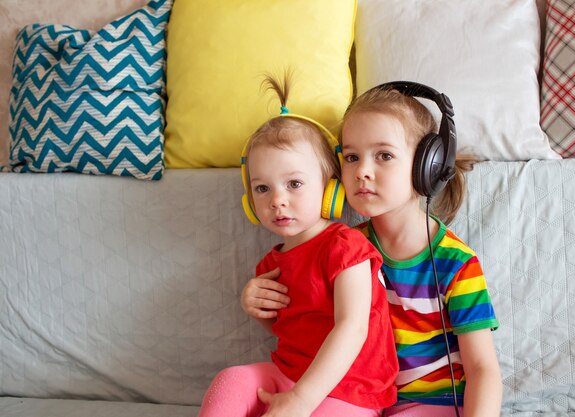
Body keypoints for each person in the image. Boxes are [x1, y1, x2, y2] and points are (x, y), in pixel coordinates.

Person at [241, 82, 503, 417]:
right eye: (351, 157)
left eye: (384, 156)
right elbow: (308, 328)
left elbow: (483, 369)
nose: (362, 171)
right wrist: (259, 304)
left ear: (428, 166)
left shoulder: (456, 264)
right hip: (362, 403)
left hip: (437, 404)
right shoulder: (345, 249)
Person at [197, 75, 398, 417]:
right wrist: (255, 306)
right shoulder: (269, 266)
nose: (277, 200)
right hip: (287, 375)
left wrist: (303, 400)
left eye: (294, 184)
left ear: (330, 190)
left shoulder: (346, 246)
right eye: (262, 189)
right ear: (250, 203)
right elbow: (287, 329)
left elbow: (353, 325)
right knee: (231, 379)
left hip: (349, 389)